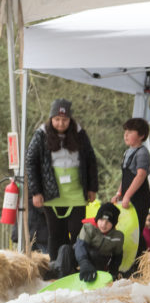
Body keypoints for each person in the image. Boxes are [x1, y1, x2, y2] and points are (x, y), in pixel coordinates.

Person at [25, 98, 98, 264]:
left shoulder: (80, 134)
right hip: (51, 191)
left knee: (77, 230)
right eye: (57, 119)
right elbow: (31, 162)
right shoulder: (41, 134)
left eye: (64, 120)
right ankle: (57, 265)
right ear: (51, 119)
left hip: (77, 190)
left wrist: (92, 188)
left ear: (70, 119)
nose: (60, 123)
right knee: (56, 233)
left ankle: (77, 263)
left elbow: (91, 160)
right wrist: (36, 192)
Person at [53, 201, 124, 282]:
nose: (103, 224)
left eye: (108, 222)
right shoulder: (89, 227)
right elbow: (80, 246)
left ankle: (92, 278)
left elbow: (117, 257)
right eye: (101, 219)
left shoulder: (118, 237)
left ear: (114, 224)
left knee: (94, 254)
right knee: (65, 249)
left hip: (99, 262)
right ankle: (63, 278)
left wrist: (113, 273)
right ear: (97, 218)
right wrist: (84, 262)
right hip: (82, 258)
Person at [111, 118, 150, 220]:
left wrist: (127, 196)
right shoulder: (127, 152)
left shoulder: (142, 152)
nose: (126, 135)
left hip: (139, 197)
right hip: (128, 196)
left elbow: (140, 175)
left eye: (130, 132)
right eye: (125, 132)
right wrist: (119, 193)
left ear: (141, 135)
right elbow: (125, 176)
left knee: (136, 231)